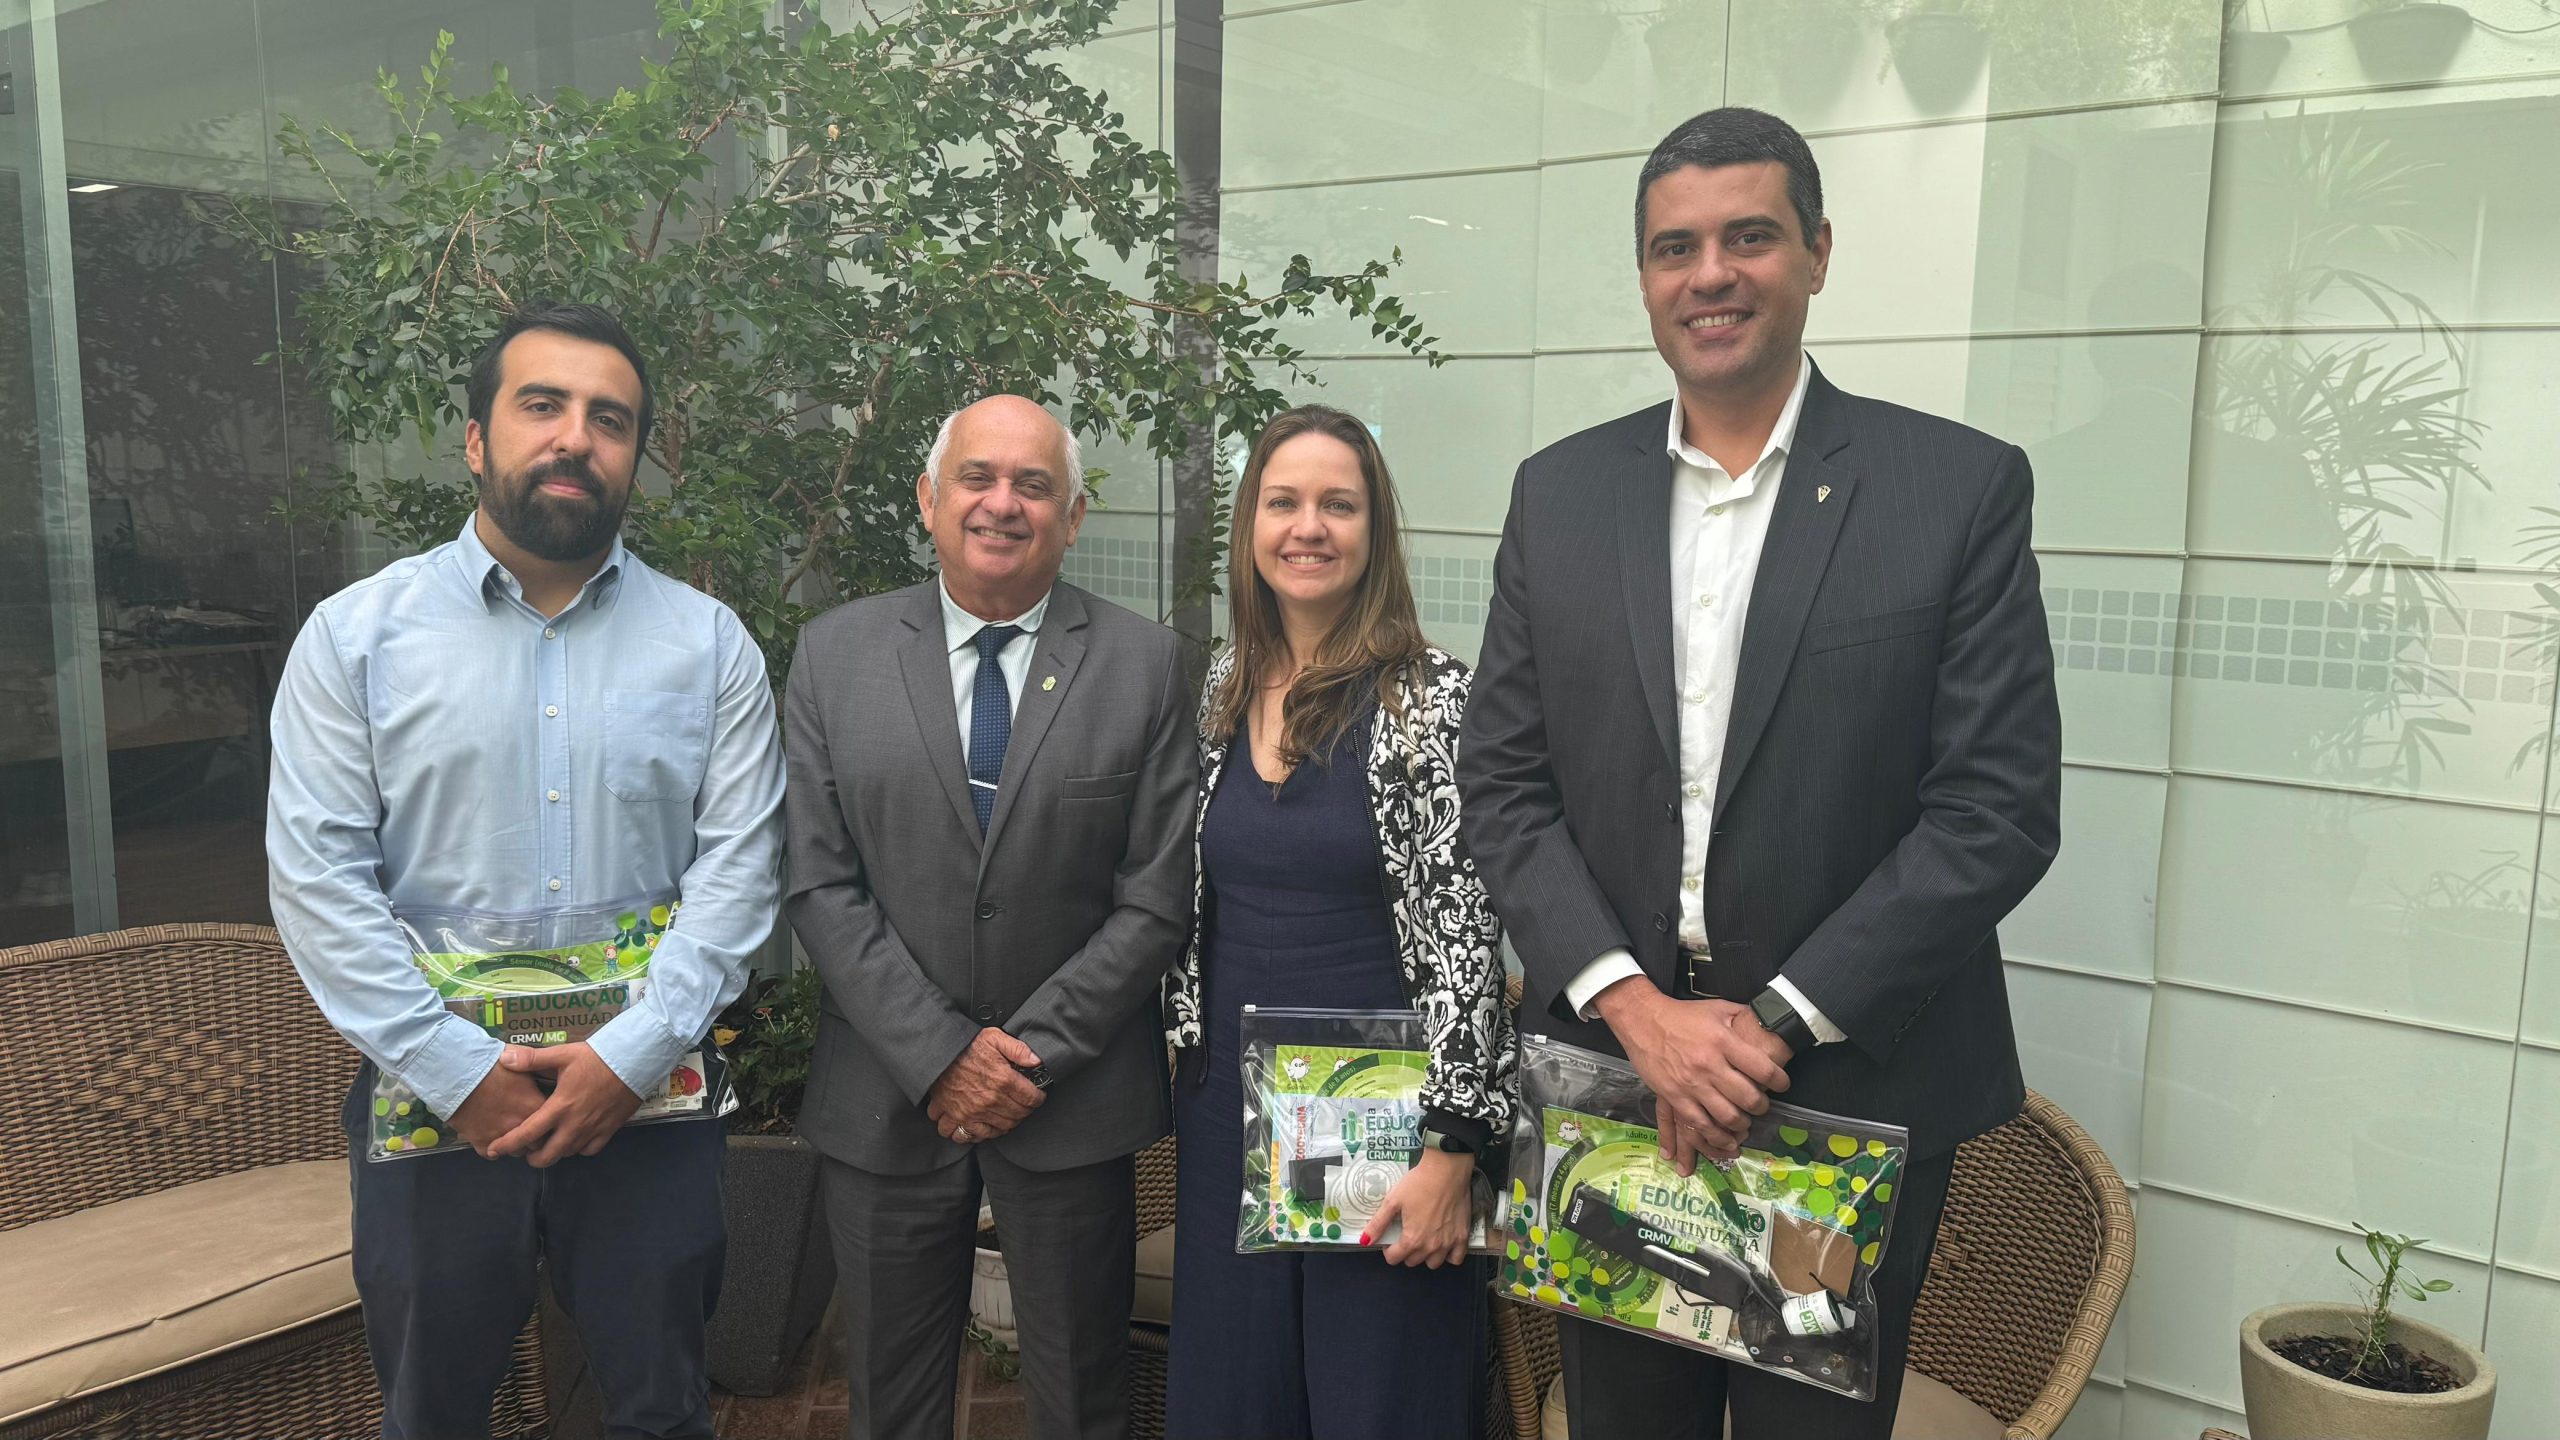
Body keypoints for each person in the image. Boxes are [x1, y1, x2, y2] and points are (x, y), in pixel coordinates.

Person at [1457, 107, 2062, 1440]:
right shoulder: (1558, 496)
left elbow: (1998, 811)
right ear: (1644, 277)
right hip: (1623, 1089)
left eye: (1750, 237)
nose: (1710, 274)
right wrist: (1642, 1016)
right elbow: (1501, 787)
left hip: (1842, 1098)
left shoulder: (1952, 490)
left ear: (1818, 253)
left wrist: (1766, 1022)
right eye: (1676, 247)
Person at [267, 300, 787, 1440]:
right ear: (474, 438)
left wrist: (632, 1056)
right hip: (434, 1111)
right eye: (541, 405)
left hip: (647, 1112)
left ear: (635, 457)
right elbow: (317, 881)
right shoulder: (355, 640)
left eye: (610, 419)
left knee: (661, 1409)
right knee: (435, 1412)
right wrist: (456, 1068)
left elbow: (741, 875)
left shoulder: (708, 646)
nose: (574, 438)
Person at [783, 394, 1197, 1440]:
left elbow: (1156, 896)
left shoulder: (1145, 666)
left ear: (1073, 515)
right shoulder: (833, 656)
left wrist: (1024, 1057)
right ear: (929, 498)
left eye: (1033, 485)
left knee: (1082, 1395)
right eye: (977, 478)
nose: (1001, 504)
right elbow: (818, 885)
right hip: (885, 1091)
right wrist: (938, 1053)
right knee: (892, 1400)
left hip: (1070, 1097)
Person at [1162, 405, 1514, 1440]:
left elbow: (1467, 939)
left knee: (1380, 1409)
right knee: (1235, 1408)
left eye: (1337, 504)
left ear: (1375, 532)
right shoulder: (1220, 688)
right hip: (1229, 1118)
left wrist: (1453, 1151)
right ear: (1249, 527)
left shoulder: (1432, 701)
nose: (1306, 527)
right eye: (1283, 502)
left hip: (1386, 1131)